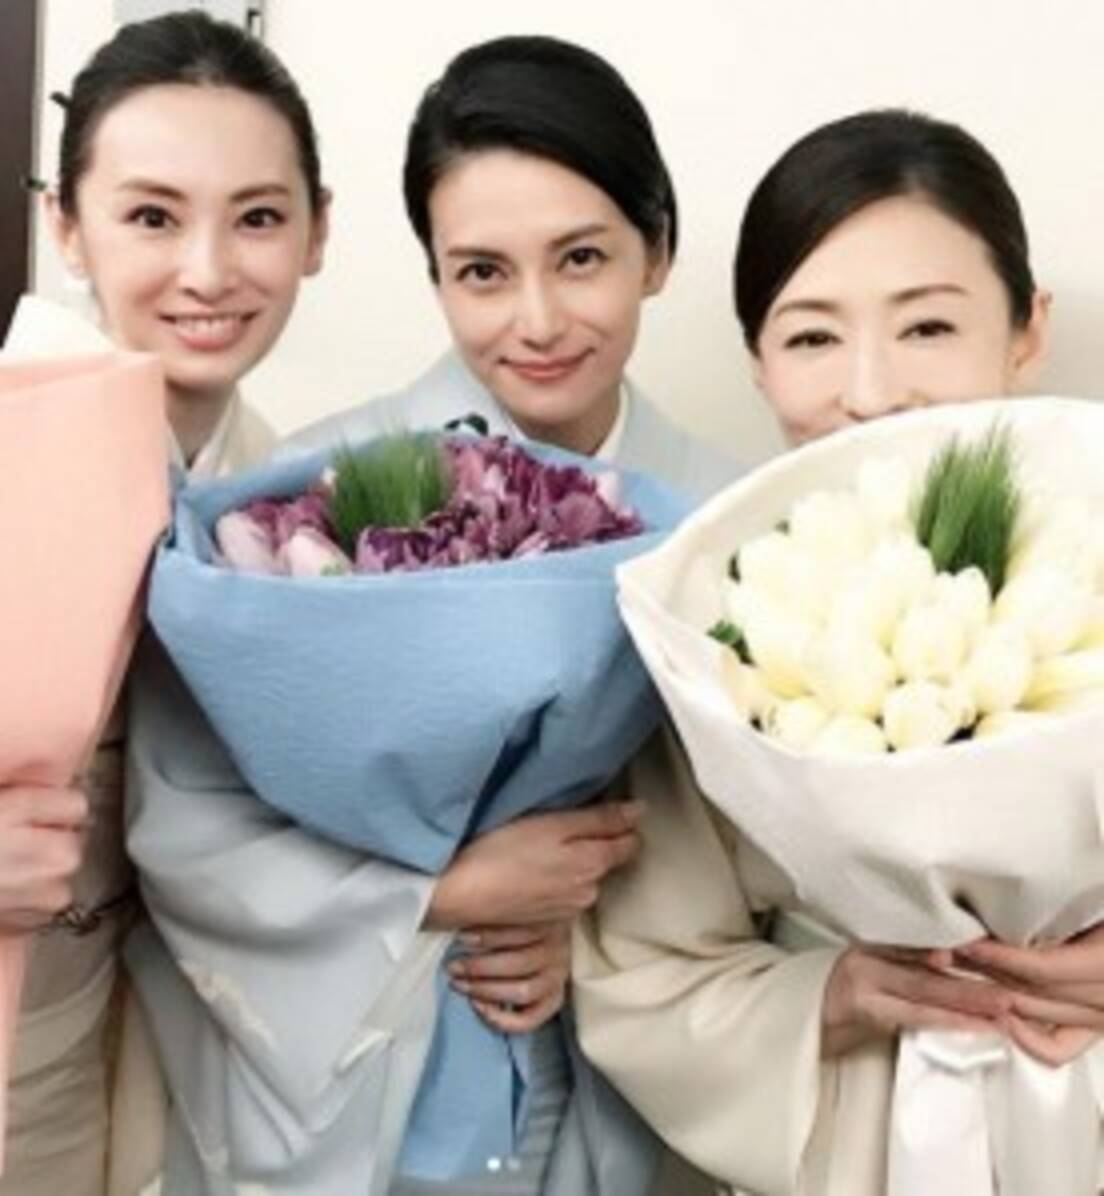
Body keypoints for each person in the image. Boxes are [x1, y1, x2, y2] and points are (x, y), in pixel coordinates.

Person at [125, 34, 736, 1196]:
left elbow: (756, 866)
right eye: (483, 272)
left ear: (657, 250)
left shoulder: (729, 515)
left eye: (582, 257)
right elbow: (185, 814)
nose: (538, 319)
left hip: (609, 1081)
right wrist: (432, 897)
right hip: (358, 1084)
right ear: (435, 275)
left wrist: (595, 935)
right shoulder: (303, 499)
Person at [571, 109, 1090, 1196]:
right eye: (811, 337)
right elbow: (646, 976)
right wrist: (834, 997)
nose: (872, 389)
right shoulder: (708, 614)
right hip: (859, 1138)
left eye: (928, 326)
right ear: (758, 363)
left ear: (1027, 327)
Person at [0, 11, 328, 1194]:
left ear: (317, 232)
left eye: (258, 217)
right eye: (152, 216)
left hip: (130, 1063)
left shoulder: (290, 499)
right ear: (66, 224)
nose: (208, 271)